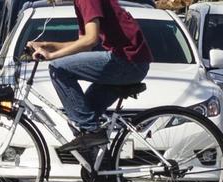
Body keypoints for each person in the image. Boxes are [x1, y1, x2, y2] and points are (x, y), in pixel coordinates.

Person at [27, 0, 153, 152]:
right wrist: (48, 45)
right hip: (131, 62)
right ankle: (101, 168)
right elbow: (83, 43)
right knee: (81, 117)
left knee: (58, 68)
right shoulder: (80, 3)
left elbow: (91, 40)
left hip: (127, 62)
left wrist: (52, 56)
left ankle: (93, 132)